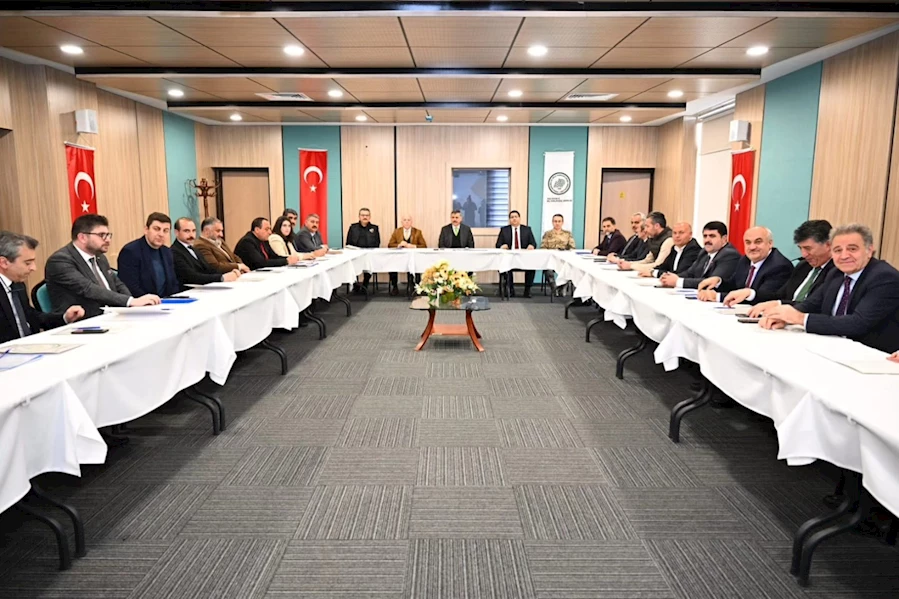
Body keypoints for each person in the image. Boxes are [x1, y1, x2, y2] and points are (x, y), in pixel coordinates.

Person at [760, 223, 899, 353]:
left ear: (869, 250)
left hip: (872, 356)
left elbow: (858, 323)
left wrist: (800, 318)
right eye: (838, 250)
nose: (844, 256)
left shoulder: (884, 277)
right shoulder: (836, 273)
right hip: (832, 348)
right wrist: (783, 316)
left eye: (852, 249)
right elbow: (812, 304)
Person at [45, 214, 161, 317]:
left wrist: (131, 306)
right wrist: (130, 301)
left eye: (108, 235)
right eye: (102, 235)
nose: (108, 240)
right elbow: (88, 289)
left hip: (111, 317)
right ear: (82, 237)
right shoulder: (60, 261)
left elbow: (117, 284)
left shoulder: (100, 257)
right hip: (83, 321)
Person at [723, 220, 833, 310]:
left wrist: (779, 304)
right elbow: (779, 295)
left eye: (808, 248)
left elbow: (814, 305)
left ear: (828, 245)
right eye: (801, 248)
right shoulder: (803, 266)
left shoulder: (835, 272)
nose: (804, 254)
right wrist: (750, 293)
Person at [1, 231, 84, 343]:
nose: (33, 268)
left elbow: (31, 316)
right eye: (27, 263)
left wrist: (64, 318)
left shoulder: (17, 284)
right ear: (4, 263)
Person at [697, 226, 793, 302]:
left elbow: (763, 297)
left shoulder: (780, 266)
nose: (752, 247)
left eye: (758, 242)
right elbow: (734, 285)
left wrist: (718, 297)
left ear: (770, 243)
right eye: (748, 242)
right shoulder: (745, 260)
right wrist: (718, 282)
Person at [659, 221, 740, 289]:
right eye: (705, 236)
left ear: (724, 239)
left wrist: (678, 281)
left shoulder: (730, 255)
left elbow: (710, 282)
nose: (707, 240)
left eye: (712, 236)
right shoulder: (704, 252)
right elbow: (690, 273)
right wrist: (670, 277)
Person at [117, 212, 179, 298]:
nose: (161, 234)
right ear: (146, 230)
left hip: (166, 302)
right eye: (156, 229)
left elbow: (173, 283)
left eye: (165, 231)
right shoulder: (130, 251)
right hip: (142, 302)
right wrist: (151, 300)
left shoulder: (167, 252)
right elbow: (130, 286)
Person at [171, 217, 240, 290]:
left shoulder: (194, 249)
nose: (191, 235)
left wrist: (229, 273)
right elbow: (191, 277)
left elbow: (208, 269)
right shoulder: (174, 251)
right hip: (189, 291)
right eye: (187, 231)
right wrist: (221, 277)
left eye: (194, 231)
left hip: (202, 289)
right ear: (176, 232)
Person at [495, 210, 537, 298]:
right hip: (510, 257)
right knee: (506, 267)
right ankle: (510, 290)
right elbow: (498, 244)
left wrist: (531, 246)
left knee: (532, 267)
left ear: (519, 218)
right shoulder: (504, 230)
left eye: (516, 217)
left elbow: (533, 243)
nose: (514, 219)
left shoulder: (527, 229)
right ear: (509, 219)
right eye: (512, 217)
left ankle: (527, 290)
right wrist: (502, 246)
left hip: (523, 257)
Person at [235, 217, 302, 270]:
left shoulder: (264, 240)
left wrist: (288, 258)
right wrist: (286, 261)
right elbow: (260, 263)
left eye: (270, 229)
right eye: (266, 229)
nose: (270, 232)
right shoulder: (247, 242)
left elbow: (274, 256)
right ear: (257, 230)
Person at [387, 215, 427, 297]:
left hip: (413, 258)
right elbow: (390, 245)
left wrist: (413, 246)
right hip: (399, 258)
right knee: (392, 266)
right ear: (402, 222)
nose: (407, 222)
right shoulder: (397, 232)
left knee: (416, 265)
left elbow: (424, 246)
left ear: (411, 222)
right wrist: (398, 245)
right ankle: (394, 286)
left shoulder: (417, 232)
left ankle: (414, 286)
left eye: (409, 220)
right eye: (405, 220)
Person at [345, 208, 381, 293]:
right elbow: (348, 242)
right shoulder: (353, 227)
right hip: (355, 254)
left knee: (369, 264)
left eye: (367, 215)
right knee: (351, 265)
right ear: (359, 216)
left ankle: (365, 284)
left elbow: (377, 242)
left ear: (370, 217)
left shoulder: (374, 228)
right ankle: (355, 284)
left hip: (369, 254)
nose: (365, 217)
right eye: (363, 215)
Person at [541, 214, 576, 295]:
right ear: (552, 222)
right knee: (548, 270)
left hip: (563, 259)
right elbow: (543, 247)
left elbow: (572, 247)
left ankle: (562, 287)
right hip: (551, 259)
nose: (557, 223)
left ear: (562, 222)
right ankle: (554, 288)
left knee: (567, 269)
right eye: (555, 221)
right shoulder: (547, 234)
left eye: (559, 221)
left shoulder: (567, 234)